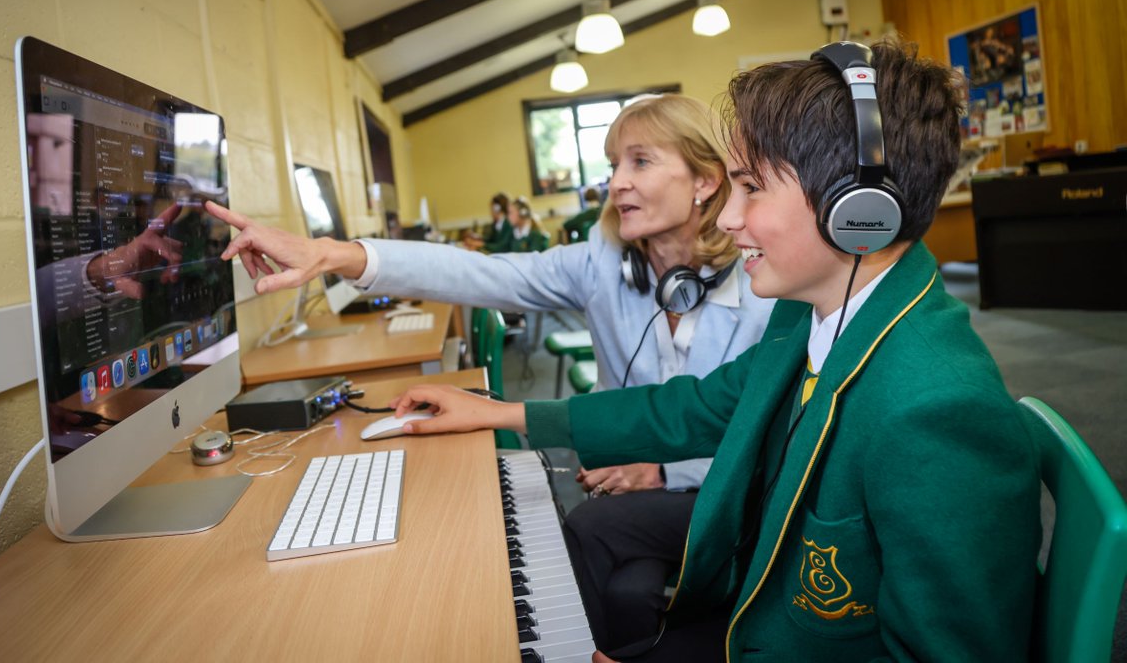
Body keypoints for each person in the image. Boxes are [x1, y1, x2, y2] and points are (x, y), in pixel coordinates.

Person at [370, 39, 1041, 661]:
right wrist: (502, 416)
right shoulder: (809, 317)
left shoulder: (935, 409)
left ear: (857, 208)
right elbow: (691, 409)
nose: (725, 217)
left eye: (751, 187)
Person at [205, 95, 776, 640]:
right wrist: (334, 253)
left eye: (640, 162)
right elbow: (480, 274)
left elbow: (762, 427)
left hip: (727, 486)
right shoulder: (603, 263)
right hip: (626, 486)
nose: (616, 181)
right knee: (624, 594)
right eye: (613, 164)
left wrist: (663, 471)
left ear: (704, 180)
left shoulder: (766, 283)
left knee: (611, 569)